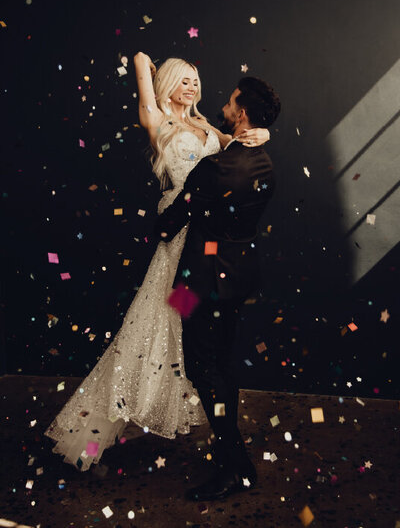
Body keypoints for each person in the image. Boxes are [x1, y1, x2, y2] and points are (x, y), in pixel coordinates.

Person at [44, 53, 271, 471]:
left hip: (204, 245)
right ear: (166, 85)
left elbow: (237, 149)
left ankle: (182, 398)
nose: (192, 88)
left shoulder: (206, 126)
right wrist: (148, 69)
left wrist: (262, 137)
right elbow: (141, 62)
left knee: (183, 332)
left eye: (196, 80)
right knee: (152, 324)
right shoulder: (158, 122)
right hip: (177, 242)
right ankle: (100, 424)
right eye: (183, 81)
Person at [155, 75, 280, 501]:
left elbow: (173, 221)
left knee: (201, 368)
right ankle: (230, 451)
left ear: (242, 113)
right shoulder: (262, 159)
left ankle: (235, 464)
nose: (223, 107)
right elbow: (235, 145)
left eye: (230, 103)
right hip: (238, 278)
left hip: (202, 280)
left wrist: (159, 222)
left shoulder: (212, 170)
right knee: (221, 364)